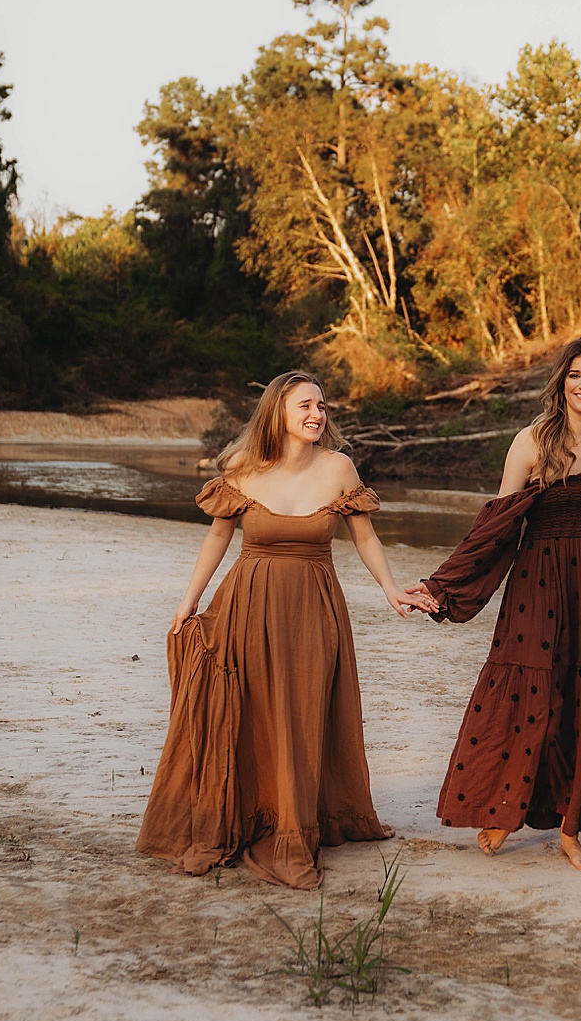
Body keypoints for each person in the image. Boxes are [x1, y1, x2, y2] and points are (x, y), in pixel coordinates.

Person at [137, 370, 416, 890]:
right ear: (278, 414)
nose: (317, 415)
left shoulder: (340, 468)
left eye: (323, 407)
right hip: (248, 604)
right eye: (305, 406)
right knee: (258, 710)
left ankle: (299, 821)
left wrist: (391, 589)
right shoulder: (242, 469)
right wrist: (189, 599)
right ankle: (261, 815)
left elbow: (365, 538)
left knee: (305, 709)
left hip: (314, 608)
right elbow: (218, 539)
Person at [406, 337, 581, 870]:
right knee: (531, 698)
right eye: (576, 375)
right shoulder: (532, 441)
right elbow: (499, 525)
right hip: (541, 586)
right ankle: (505, 812)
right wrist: (443, 586)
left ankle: (572, 831)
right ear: (561, 382)